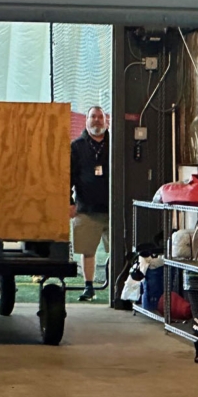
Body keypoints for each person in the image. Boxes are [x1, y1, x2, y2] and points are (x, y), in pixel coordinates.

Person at [71, 105, 109, 302]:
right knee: (88, 250)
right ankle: (89, 286)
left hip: (112, 209)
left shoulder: (114, 145)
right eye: (93, 117)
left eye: (100, 117)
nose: (96, 120)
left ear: (106, 120)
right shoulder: (76, 147)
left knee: (121, 249)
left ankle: (121, 288)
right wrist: (69, 202)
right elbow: (68, 176)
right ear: (86, 121)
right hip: (86, 208)